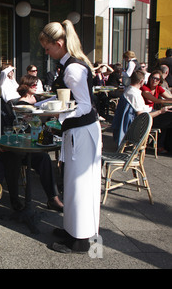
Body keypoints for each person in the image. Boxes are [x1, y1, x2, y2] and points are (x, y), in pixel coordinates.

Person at [39, 20, 102, 254]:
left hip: (82, 133)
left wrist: (55, 112)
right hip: (78, 132)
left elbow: (84, 105)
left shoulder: (73, 68)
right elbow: (68, 99)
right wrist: (39, 104)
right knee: (73, 184)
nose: (46, 52)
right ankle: (72, 229)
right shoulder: (70, 65)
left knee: (81, 186)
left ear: (59, 43)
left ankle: (81, 241)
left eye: (47, 48)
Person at [0, 77, 63, 212]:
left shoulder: (5, 107)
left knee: (43, 158)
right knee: (13, 159)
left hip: (12, 146)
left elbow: (13, 126)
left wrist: (24, 121)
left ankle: (53, 198)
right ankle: (15, 201)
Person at [123, 71, 172, 153]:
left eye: (157, 79)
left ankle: (164, 145)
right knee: (169, 118)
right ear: (144, 80)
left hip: (150, 112)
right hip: (147, 117)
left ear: (160, 81)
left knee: (169, 119)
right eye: (153, 78)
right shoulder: (143, 89)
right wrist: (161, 111)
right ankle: (161, 145)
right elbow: (155, 101)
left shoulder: (157, 88)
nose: (154, 81)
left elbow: (170, 97)